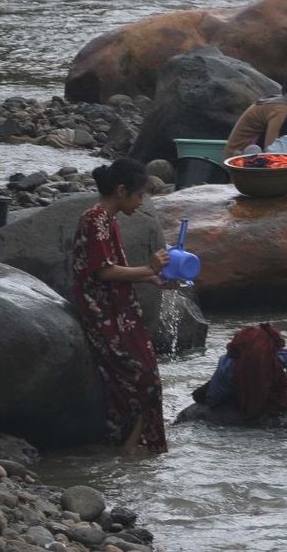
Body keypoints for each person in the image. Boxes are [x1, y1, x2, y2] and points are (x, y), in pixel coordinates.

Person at [72, 158, 171, 455]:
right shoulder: (95, 219)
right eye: (139, 195)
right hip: (102, 310)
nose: (141, 203)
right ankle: (129, 448)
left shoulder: (107, 218)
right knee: (146, 380)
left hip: (118, 307)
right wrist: (149, 269)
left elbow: (115, 268)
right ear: (121, 191)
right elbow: (104, 271)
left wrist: (155, 278)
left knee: (145, 377)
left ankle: (130, 446)